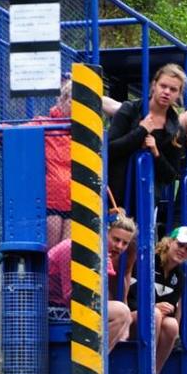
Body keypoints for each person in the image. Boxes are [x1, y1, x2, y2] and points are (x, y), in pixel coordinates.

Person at [41, 78, 121, 248]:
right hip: (52, 200)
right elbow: (20, 133)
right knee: (51, 251)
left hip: (75, 199)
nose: (74, 107)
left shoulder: (85, 131)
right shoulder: (44, 124)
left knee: (67, 249)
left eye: (80, 102)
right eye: (72, 101)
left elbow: (119, 110)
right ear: (63, 100)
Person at [106, 64, 187, 223]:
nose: (166, 92)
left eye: (173, 89)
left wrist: (156, 152)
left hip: (145, 199)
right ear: (154, 85)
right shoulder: (130, 109)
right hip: (116, 195)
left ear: (178, 94)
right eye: (163, 86)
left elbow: (171, 175)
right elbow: (109, 149)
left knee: (136, 244)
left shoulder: (174, 128)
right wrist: (140, 131)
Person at [47, 212, 137, 354]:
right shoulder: (72, 248)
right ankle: (91, 361)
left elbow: (102, 295)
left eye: (125, 243)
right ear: (104, 232)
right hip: (51, 308)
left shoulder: (102, 255)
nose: (119, 246)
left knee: (126, 316)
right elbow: (70, 297)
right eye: (116, 239)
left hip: (73, 305)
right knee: (121, 313)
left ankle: (99, 364)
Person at [127, 226, 187, 374]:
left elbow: (172, 310)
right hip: (131, 319)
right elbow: (130, 299)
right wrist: (153, 307)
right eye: (180, 245)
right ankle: (144, 373)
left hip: (153, 321)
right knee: (156, 314)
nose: (183, 251)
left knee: (172, 325)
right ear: (169, 242)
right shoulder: (147, 262)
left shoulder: (179, 276)